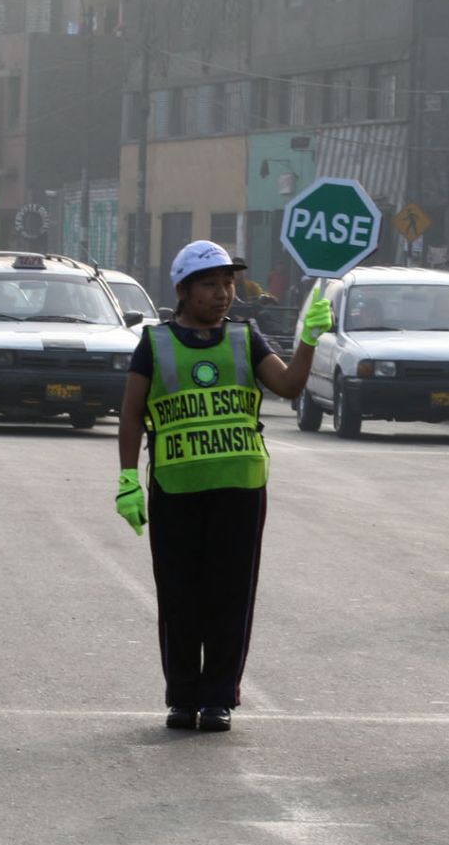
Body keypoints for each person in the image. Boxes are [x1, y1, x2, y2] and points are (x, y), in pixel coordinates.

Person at [116, 241, 332, 733]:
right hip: (175, 488)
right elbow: (131, 413)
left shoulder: (245, 339)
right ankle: (182, 697)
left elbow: (289, 386)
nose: (223, 294)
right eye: (210, 284)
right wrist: (128, 478)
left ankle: (218, 698)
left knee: (230, 596)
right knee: (179, 596)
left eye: (228, 283)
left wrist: (310, 338)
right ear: (184, 291)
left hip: (239, 489)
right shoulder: (154, 343)